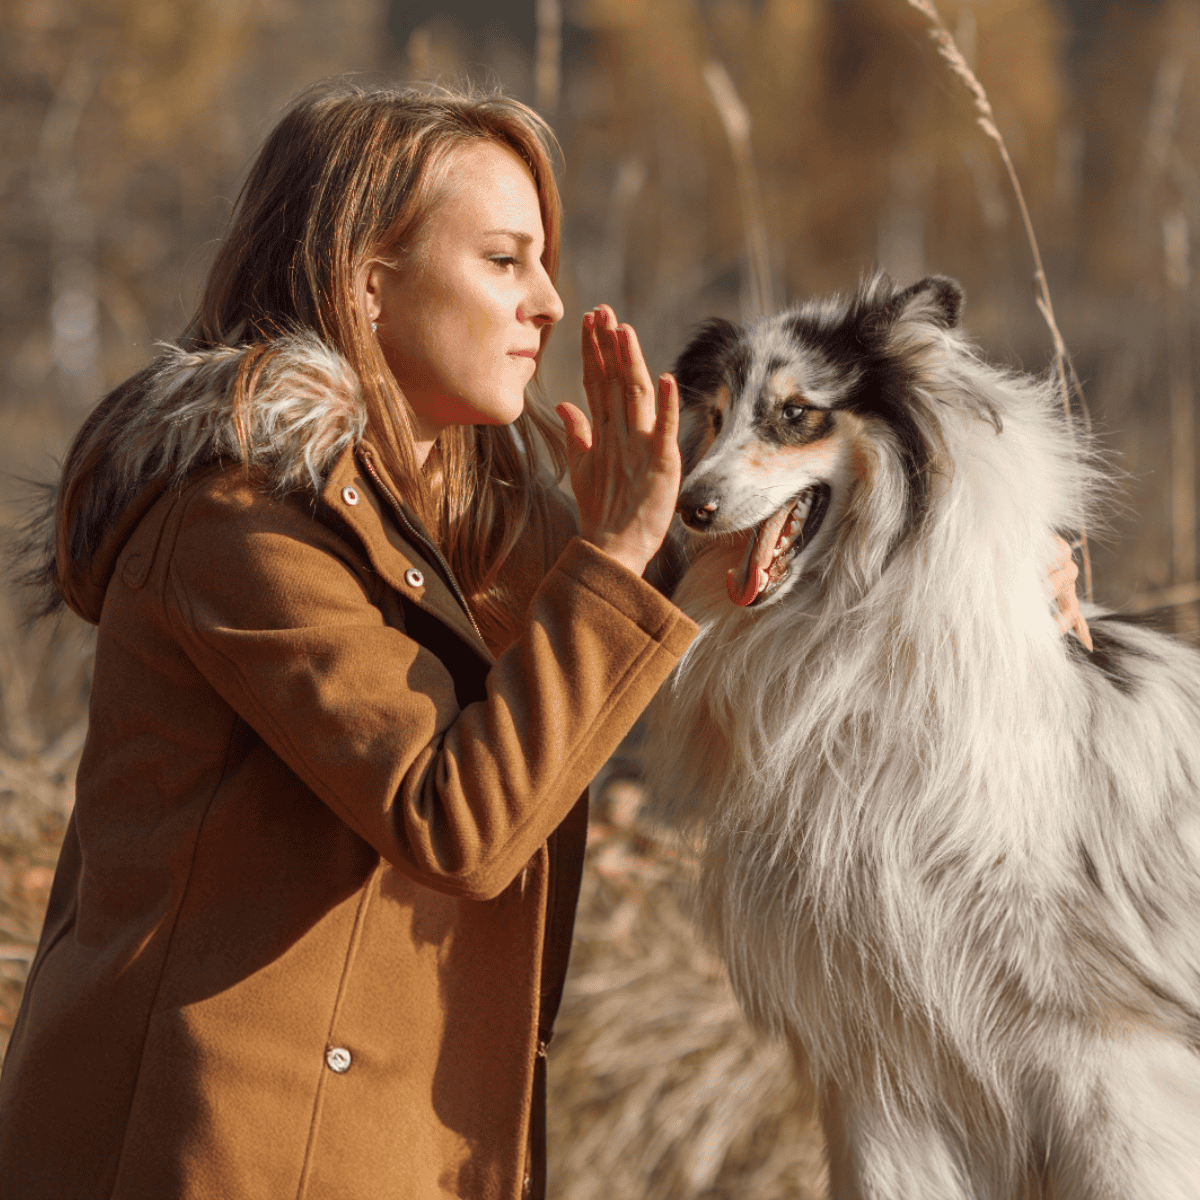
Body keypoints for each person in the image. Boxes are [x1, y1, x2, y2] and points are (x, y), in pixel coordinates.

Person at [0, 81, 696, 1200]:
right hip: (217, 1153)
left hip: (395, 1152)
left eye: (543, 262)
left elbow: (614, 659)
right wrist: (610, 566)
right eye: (505, 260)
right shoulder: (235, 518)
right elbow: (457, 818)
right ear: (369, 282)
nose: (552, 303)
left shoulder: (485, 534)